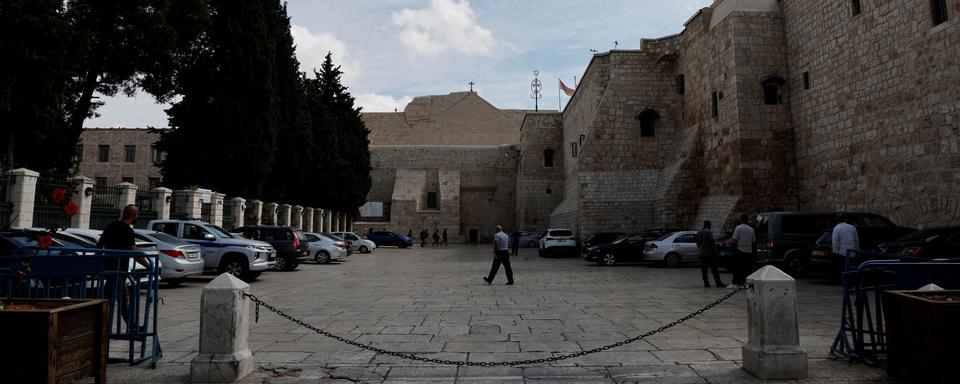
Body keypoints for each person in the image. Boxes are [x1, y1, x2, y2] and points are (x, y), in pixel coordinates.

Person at [97, 204, 149, 330]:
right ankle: (131, 327)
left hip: (109, 268)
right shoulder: (127, 230)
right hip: (119, 270)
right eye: (137, 214)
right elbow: (133, 249)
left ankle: (102, 325)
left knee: (111, 299)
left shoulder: (110, 226)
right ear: (134, 215)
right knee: (120, 300)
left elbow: (99, 245)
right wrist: (148, 265)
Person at [729, 214, 756, 287]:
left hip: (740, 250)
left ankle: (736, 283)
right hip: (749, 252)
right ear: (747, 220)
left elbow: (734, 240)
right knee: (747, 269)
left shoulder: (738, 228)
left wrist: (734, 249)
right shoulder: (751, 229)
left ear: (741, 219)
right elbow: (753, 242)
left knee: (737, 268)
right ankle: (746, 283)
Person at [696, 220, 725, 288]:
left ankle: (706, 283)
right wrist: (715, 251)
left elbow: (697, 243)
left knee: (704, 270)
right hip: (709, 254)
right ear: (709, 225)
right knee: (714, 269)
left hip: (702, 253)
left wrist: (701, 248)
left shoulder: (699, 232)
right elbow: (712, 243)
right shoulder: (709, 232)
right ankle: (718, 283)